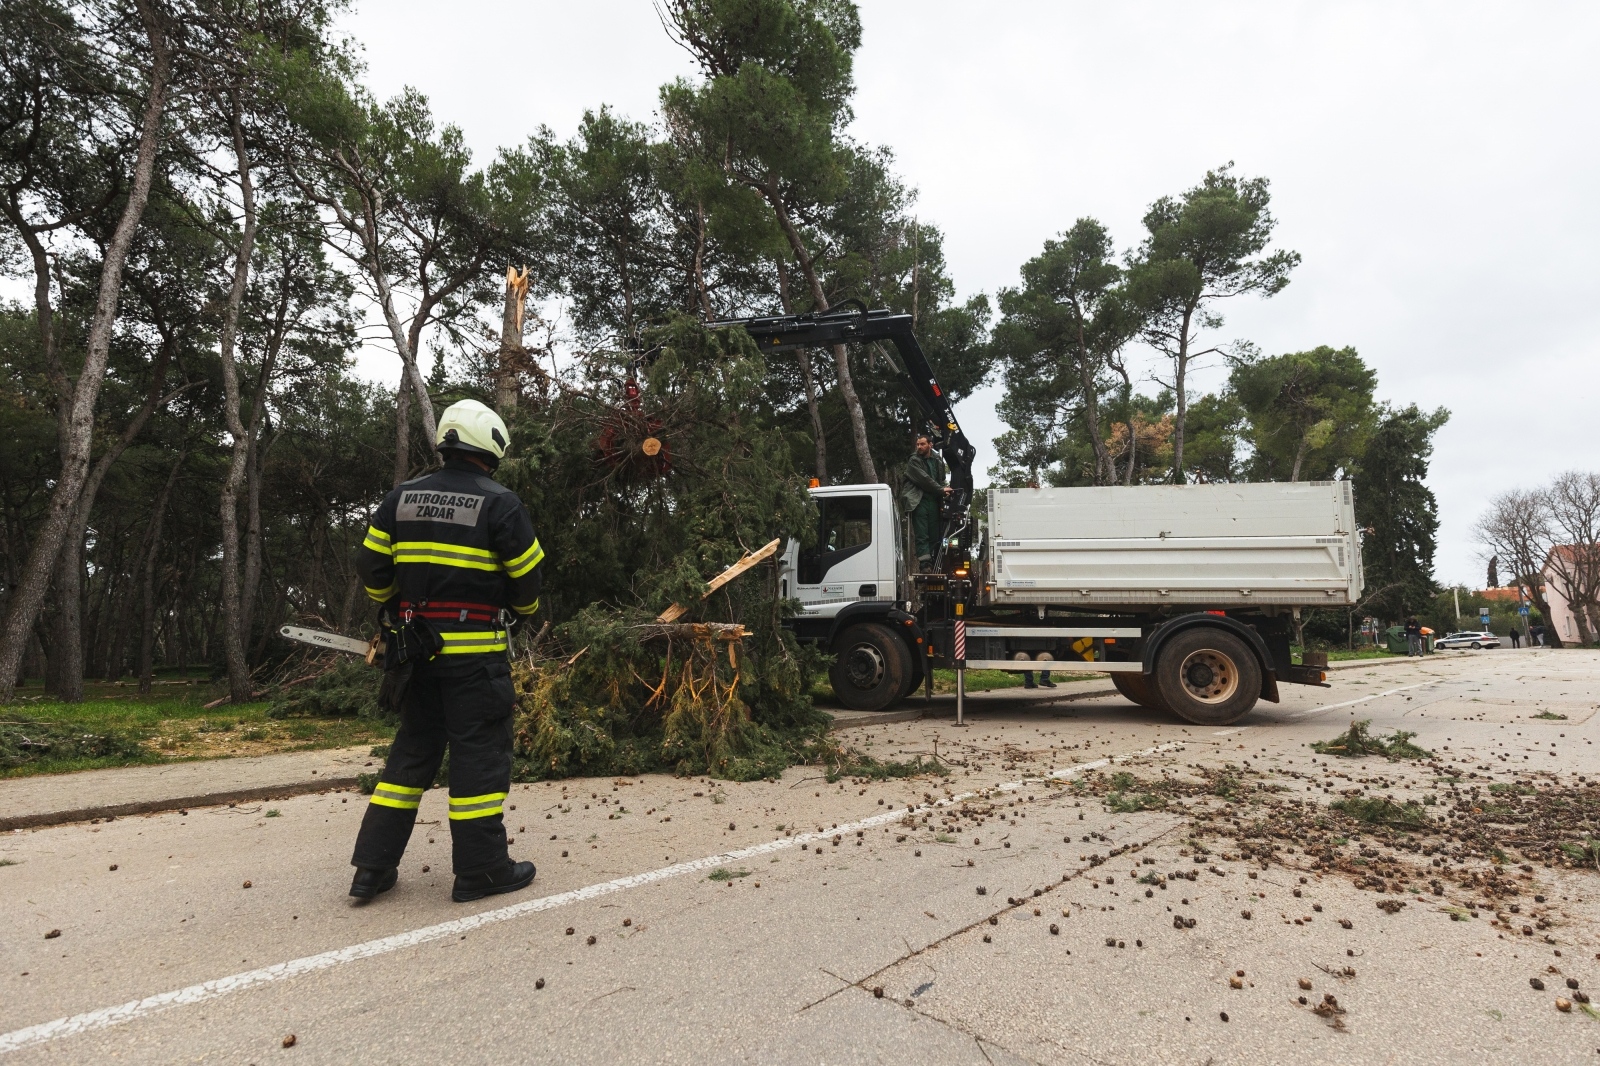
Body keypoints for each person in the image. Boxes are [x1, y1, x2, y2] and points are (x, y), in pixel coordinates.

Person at [349, 400, 545, 903]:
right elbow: (528, 580)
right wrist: (520, 612)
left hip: (416, 658)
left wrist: (394, 607)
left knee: (412, 754)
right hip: (474, 659)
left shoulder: (401, 497)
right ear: (491, 449)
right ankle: (481, 870)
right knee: (478, 759)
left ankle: (372, 867)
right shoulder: (501, 503)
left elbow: (370, 566)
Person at [901, 433, 950, 570]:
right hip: (919, 500)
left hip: (934, 501)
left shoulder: (937, 460)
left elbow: (941, 479)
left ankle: (933, 560)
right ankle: (924, 564)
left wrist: (944, 491)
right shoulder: (914, 460)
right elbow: (924, 480)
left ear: (930, 444)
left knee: (935, 533)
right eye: (918, 444)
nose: (919, 447)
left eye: (922, 444)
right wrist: (941, 489)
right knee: (922, 533)